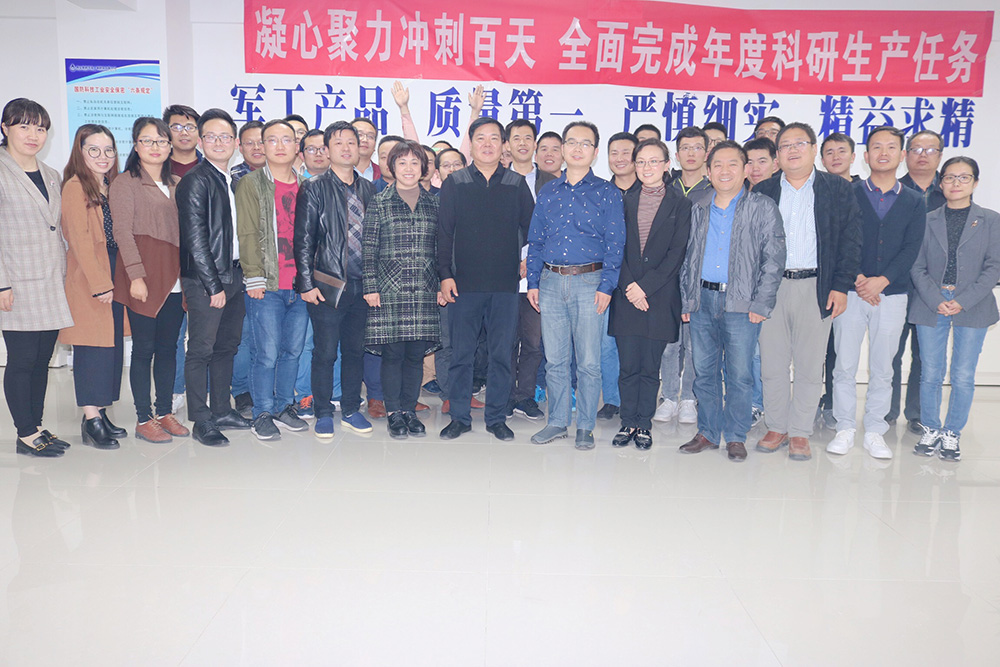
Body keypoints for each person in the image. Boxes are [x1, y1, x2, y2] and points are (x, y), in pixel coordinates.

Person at [753, 122, 862, 461]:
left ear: (814, 149)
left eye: (799, 143)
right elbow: (750, 245)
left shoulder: (837, 189)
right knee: (772, 363)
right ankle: (777, 426)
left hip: (817, 286)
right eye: (785, 145)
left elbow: (850, 241)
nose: (792, 150)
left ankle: (800, 431)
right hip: (772, 287)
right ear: (777, 155)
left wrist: (840, 286)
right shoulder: (764, 190)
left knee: (810, 365)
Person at [678, 141, 785, 461]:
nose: (725, 171)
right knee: (704, 371)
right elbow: (685, 257)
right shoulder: (697, 206)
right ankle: (708, 432)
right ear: (708, 172)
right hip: (702, 299)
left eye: (733, 164)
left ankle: (736, 436)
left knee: (739, 374)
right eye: (718, 165)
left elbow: (774, 259)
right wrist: (686, 299)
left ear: (746, 169)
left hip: (742, 304)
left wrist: (761, 304)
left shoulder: (762, 207)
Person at [825, 127, 925, 460]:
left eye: (891, 147)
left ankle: (874, 430)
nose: (884, 153)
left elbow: (911, 248)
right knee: (844, 365)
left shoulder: (914, 200)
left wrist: (882, 280)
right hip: (851, 292)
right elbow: (837, 239)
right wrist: (858, 278)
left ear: (902, 155)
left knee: (884, 367)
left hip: (891, 295)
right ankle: (844, 427)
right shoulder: (848, 192)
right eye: (877, 147)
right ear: (866, 157)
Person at [526, 121, 625, 450]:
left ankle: (585, 425)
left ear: (595, 152)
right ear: (563, 149)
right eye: (571, 142)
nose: (577, 148)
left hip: (590, 282)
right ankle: (556, 421)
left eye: (585, 143)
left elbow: (615, 244)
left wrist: (607, 286)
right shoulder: (548, 192)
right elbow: (536, 240)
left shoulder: (607, 193)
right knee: (555, 359)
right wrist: (534, 281)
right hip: (551, 281)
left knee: (589, 362)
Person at [437, 118, 533, 441]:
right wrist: (445, 275)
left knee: (501, 354)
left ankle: (496, 418)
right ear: (471, 144)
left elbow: (533, 229)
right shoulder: (455, 182)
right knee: (461, 354)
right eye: (481, 138)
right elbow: (444, 233)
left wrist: (526, 259)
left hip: (505, 285)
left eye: (494, 138)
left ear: (503, 145)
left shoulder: (517, 183)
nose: (488, 144)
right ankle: (459, 417)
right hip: (464, 285)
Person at [910, 157, 999, 462]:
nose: (956, 183)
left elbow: (994, 267)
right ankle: (931, 428)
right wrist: (936, 298)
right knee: (931, 373)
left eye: (964, 177)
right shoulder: (927, 219)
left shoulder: (991, 220)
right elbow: (917, 266)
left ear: (975, 183)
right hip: (931, 302)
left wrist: (963, 300)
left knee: (962, 374)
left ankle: (952, 433)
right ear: (941, 182)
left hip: (972, 304)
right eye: (949, 177)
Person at [0, 98, 73, 457]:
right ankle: (25, 432)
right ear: (5, 128)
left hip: (50, 279)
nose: (33, 134)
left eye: (40, 128)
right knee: (22, 359)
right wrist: (1, 282)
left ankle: (36, 426)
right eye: (24, 126)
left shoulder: (51, 174)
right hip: (15, 280)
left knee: (43, 358)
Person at [295, 120, 376, 438]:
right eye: (338, 143)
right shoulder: (314, 187)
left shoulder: (369, 189)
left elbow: (375, 240)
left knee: (355, 351)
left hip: (361, 285)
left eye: (351, 142)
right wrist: (306, 283)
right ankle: (324, 411)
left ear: (359, 148)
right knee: (325, 352)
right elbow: (304, 239)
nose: (346, 148)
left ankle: (352, 409)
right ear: (327, 150)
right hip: (327, 285)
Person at [176, 108, 252, 448]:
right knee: (200, 350)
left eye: (225, 137)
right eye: (211, 136)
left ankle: (222, 409)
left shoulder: (232, 181)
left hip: (234, 275)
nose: (218, 142)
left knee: (226, 348)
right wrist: (212, 285)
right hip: (207, 280)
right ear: (200, 141)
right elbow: (195, 239)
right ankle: (201, 418)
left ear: (235, 143)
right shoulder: (196, 180)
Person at [609, 138, 691, 450]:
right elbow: (614, 247)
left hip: (659, 296)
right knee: (628, 366)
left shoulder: (680, 204)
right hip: (626, 294)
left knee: (650, 367)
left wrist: (644, 287)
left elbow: (676, 253)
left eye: (654, 161)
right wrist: (630, 286)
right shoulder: (623, 201)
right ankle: (627, 421)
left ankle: (644, 423)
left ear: (667, 165)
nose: (647, 167)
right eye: (641, 161)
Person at [110, 117, 189, 443]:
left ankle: (164, 411)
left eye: (161, 141)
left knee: (169, 348)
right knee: (143, 350)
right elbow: (122, 232)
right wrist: (136, 276)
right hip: (143, 275)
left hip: (175, 277)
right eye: (147, 140)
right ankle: (144, 418)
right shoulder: (125, 182)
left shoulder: (177, 183)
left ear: (170, 146)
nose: (155, 147)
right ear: (135, 145)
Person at [237, 119, 310, 441]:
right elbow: (247, 232)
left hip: (301, 285)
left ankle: (284, 407)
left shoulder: (307, 185)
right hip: (266, 284)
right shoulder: (251, 184)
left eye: (287, 140)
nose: (280, 146)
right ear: (262, 146)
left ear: (297, 146)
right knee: (265, 353)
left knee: (292, 351)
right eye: (272, 140)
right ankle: (262, 413)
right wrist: (253, 276)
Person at [363, 140, 442, 438]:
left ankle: (409, 409)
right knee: (393, 354)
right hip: (388, 290)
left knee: (415, 356)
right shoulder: (379, 202)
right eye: (402, 162)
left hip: (424, 289)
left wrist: (441, 284)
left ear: (423, 168)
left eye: (414, 162)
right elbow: (368, 249)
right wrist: (370, 287)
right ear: (392, 167)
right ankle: (394, 412)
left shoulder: (434, 203)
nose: (409, 168)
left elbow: (441, 249)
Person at [59, 123, 127, 450]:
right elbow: (80, 240)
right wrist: (100, 283)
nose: (103, 156)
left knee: (110, 348)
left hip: (115, 271)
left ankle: (101, 411)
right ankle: (91, 419)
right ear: (80, 152)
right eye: (94, 150)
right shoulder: (76, 187)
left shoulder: (111, 185)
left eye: (108, 150)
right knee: (91, 348)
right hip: (90, 276)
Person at [889, 130, 948, 434]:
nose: (923, 155)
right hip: (898, 283)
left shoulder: (950, 192)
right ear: (906, 154)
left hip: (934, 287)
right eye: (916, 149)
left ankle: (918, 413)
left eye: (930, 150)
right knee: (890, 353)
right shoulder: (894, 190)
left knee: (925, 356)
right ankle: (886, 412)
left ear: (940, 155)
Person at [658, 126, 713, 424]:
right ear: (677, 155)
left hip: (700, 277)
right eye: (685, 148)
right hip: (668, 276)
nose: (691, 153)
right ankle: (669, 396)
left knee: (694, 344)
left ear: (706, 153)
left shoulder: (715, 189)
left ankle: (689, 398)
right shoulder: (665, 188)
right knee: (669, 343)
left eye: (697, 148)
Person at [506, 119, 557, 422]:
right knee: (505, 340)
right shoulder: (497, 179)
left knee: (534, 341)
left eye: (528, 138)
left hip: (541, 275)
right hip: (504, 274)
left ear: (534, 144)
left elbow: (558, 230)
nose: (523, 143)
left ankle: (524, 395)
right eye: (516, 138)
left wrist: (534, 261)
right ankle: (504, 395)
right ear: (507, 145)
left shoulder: (552, 182)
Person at [164, 104, 202, 179]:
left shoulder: (210, 169)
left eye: (190, 127)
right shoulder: (157, 166)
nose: (184, 133)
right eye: (176, 127)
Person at [230, 120, 265, 185]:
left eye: (261, 142)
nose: (256, 147)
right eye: (249, 143)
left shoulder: (281, 173)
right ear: (241, 148)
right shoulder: (233, 176)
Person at [352, 117, 381, 181]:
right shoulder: (337, 173)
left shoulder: (384, 174)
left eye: (370, 136)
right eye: (359, 135)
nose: (365, 140)